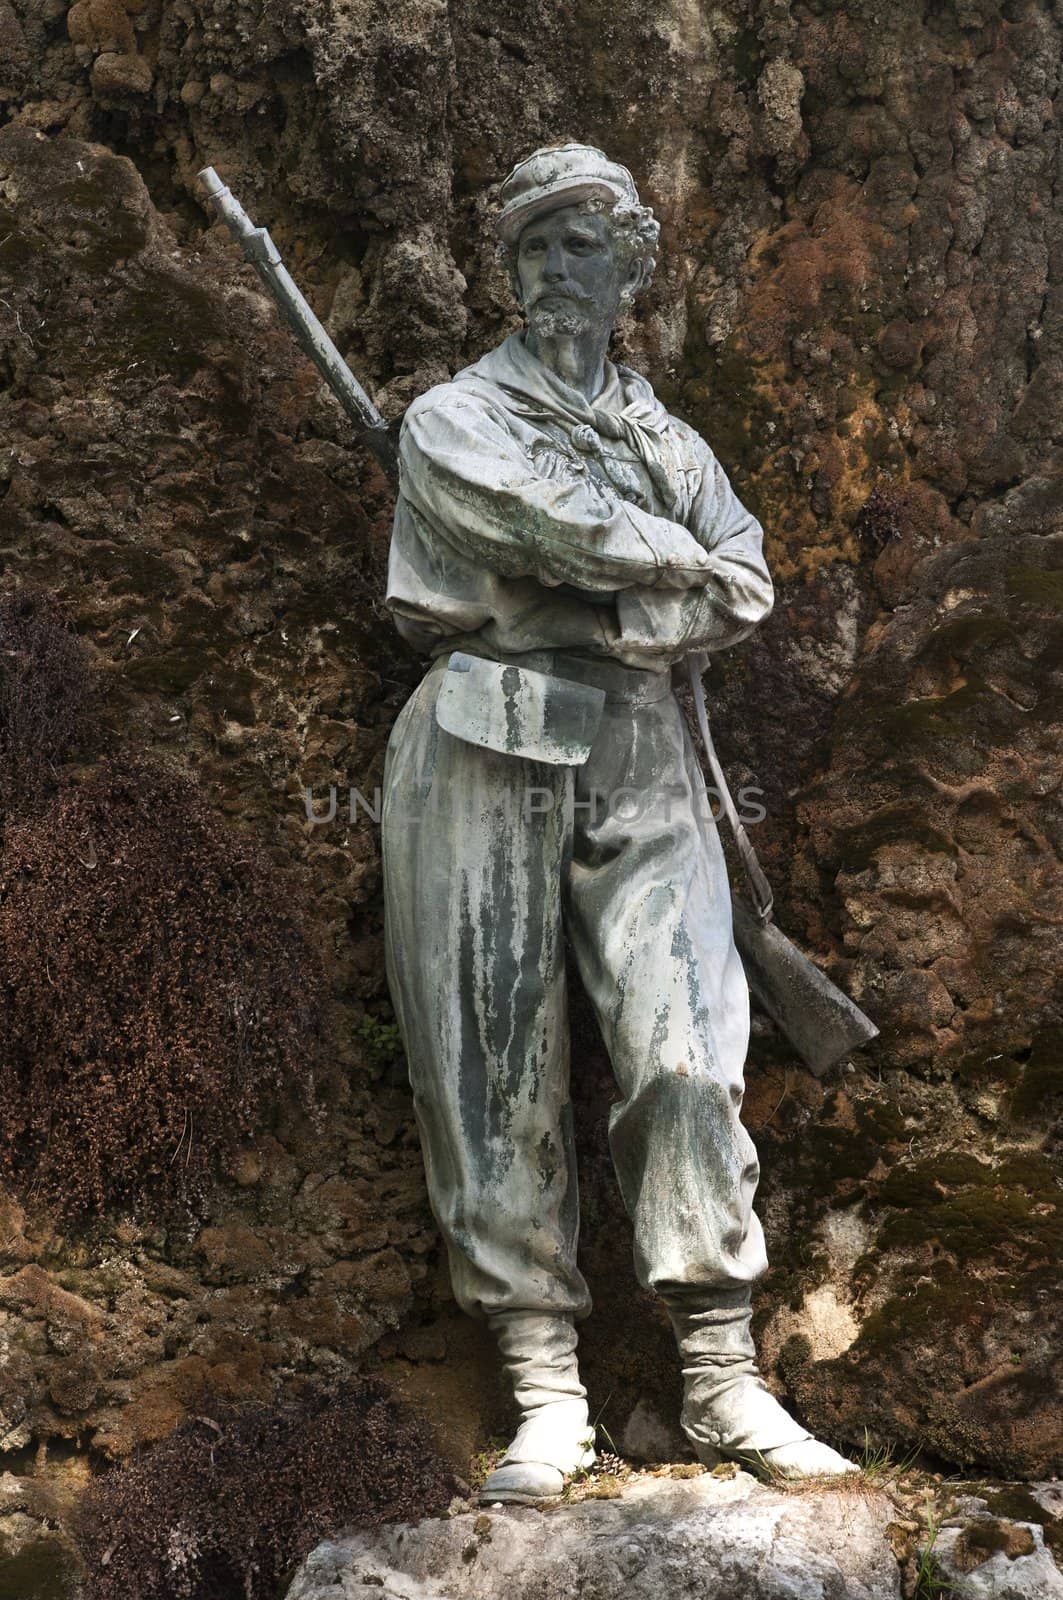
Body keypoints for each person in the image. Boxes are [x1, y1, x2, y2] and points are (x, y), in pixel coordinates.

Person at [380, 143, 857, 1504]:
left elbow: (749, 584)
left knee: (686, 1043)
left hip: (644, 741)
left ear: (631, 263)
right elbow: (533, 518)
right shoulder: (451, 417)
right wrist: (655, 568)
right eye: (531, 245)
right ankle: (542, 1389)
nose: (553, 268)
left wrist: (627, 595)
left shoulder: (667, 439)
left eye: (582, 242)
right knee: (486, 1061)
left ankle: (722, 1374)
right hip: (484, 726)